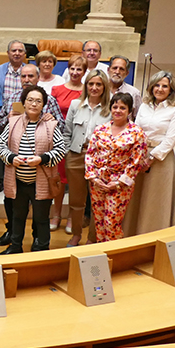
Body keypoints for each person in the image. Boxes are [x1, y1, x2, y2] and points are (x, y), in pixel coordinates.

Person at [0, 63, 64, 247]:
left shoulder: (51, 124)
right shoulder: (13, 122)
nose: (34, 104)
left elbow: (60, 149)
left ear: (44, 104)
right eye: (30, 100)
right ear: (23, 102)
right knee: (17, 216)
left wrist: (42, 159)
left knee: (41, 219)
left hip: (41, 181)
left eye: (38, 101)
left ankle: (41, 247)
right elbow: (1, 145)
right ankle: (16, 247)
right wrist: (11, 158)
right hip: (18, 181)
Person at [124, 71, 175, 236]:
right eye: (157, 85)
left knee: (155, 201)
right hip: (139, 155)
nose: (160, 89)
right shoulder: (144, 105)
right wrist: (137, 155)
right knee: (136, 199)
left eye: (164, 86)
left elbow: (170, 140)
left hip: (160, 159)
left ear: (171, 89)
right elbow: (136, 130)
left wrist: (150, 159)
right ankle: (131, 234)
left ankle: (151, 237)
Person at [84, 92, 147, 243]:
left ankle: (114, 256)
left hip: (120, 185)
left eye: (122, 108)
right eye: (115, 107)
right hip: (98, 182)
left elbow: (136, 161)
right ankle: (100, 253)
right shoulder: (100, 129)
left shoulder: (136, 132)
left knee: (111, 223)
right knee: (99, 222)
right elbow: (90, 154)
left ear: (130, 111)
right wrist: (93, 177)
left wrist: (119, 182)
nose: (118, 110)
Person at [62, 70, 111, 247]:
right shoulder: (76, 105)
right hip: (76, 156)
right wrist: (69, 153)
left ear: (104, 86)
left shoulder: (111, 107)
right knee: (76, 200)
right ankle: (76, 234)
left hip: (99, 160)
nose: (94, 87)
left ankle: (92, 237)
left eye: (98, 84)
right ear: (86, 86)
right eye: (91, 84)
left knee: (97, 201)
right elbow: (67, 132)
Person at [49, 55, 86, 231]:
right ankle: (56, 214)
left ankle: (72, 217)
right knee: (59, 180)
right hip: (59, 138)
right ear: (68, 70)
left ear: (84, 72)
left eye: (79, 69)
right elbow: (51, 113)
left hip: (78, 139)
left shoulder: (87, 91)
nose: (75, 72)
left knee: (75, 182)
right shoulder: (57, 89)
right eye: (72, 68)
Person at [0, 39, 27, 194]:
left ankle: (20, 178)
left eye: (20, 51)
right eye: (14, 50)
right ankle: (0, 180)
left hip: (26, 116)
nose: (17, 53)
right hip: (4, 115)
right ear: (8, 53)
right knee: (0, 149)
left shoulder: (29, 70)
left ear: (25, 54)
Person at [108, 55, 142, 119]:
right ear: (108, 70)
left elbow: (138, 118)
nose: (117, 72)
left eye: (121, 69)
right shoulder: (100, 90)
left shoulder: (134, 93)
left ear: (127, 73)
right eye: (115, 68)